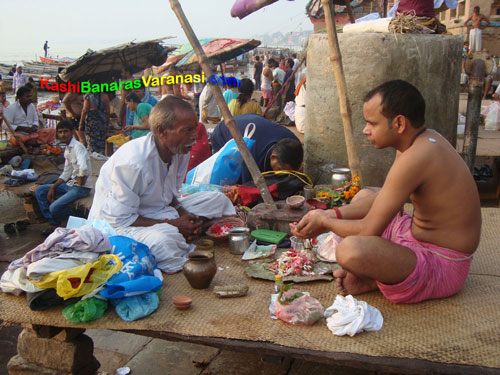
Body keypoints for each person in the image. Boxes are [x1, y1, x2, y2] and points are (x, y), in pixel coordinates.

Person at [290, 80, 481, 304]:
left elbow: (369, 229)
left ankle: (374, 279)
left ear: (399, 123)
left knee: (350, 250)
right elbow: (385, 202)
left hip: (442, 263)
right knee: (365, 196)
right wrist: (332, 215)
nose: (365, 130)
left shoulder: (417, 156)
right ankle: (376, 277)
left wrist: (324, 222)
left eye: (372, 123)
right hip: (413, 236)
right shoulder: (419, 141)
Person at [88, 96, 236, 273]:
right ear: (162, 131)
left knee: (217, 200)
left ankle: (191, 230)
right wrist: (175, 224)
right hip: (121, 224)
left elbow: (171, 195)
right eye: (187, 130)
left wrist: (184, 213)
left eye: (194, 129)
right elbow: (122, 219)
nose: (194, 137)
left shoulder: (180, 150)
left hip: (160, 211)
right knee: (164, 241)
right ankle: (190, 233)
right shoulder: (134, 163)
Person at [35, 120, 92, 236]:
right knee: (40, 190)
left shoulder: (78, 147)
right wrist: (53, 187)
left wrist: (82, 178)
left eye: (66, 132)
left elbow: (83, 167)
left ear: (72, 132)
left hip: (80, 188)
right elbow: (66, 172)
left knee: (54, 207)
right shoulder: (67, 150)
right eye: (60, 132)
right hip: (70, 185)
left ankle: (75, 216)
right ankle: (53, 221)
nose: (63, 135)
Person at [211, 113, 303, 184]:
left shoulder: (294, 141)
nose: (285, 176)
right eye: (280, 170)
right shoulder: (251, 155)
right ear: (273, 157)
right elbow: (248, 185)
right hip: (223, 132)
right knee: (228, 175)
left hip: (253, 121)